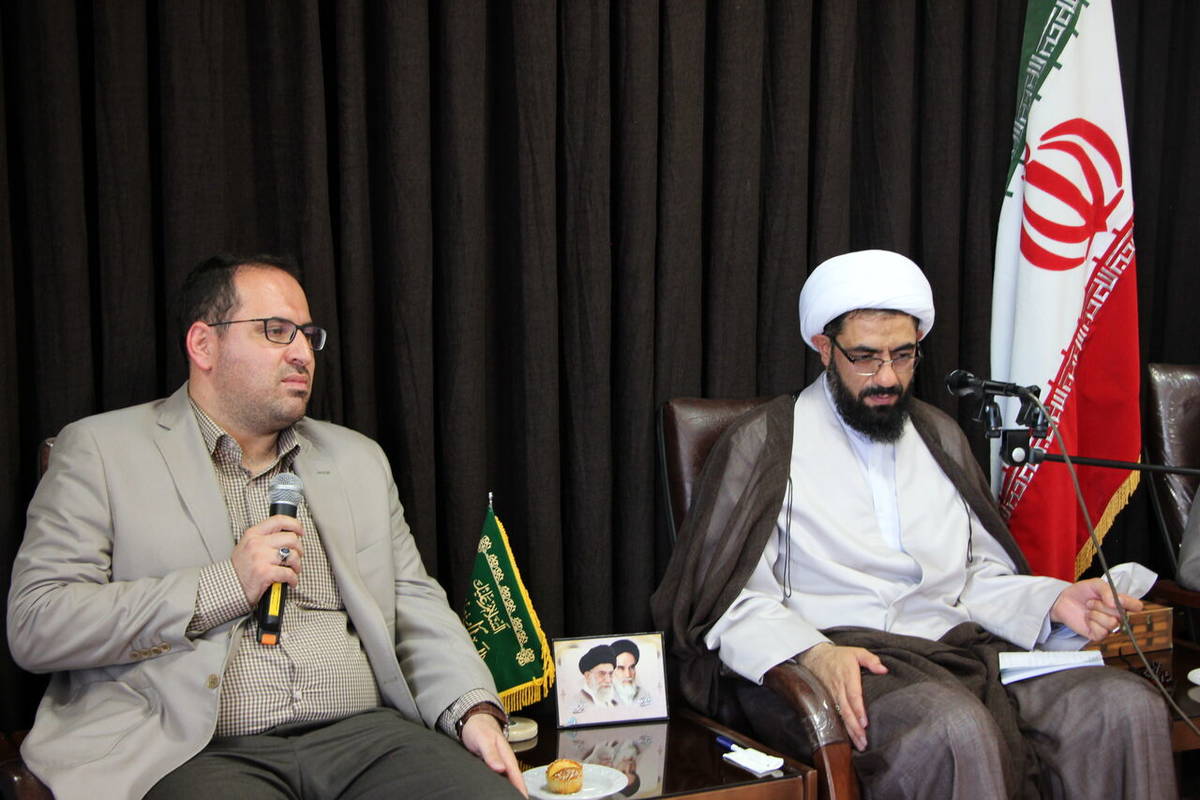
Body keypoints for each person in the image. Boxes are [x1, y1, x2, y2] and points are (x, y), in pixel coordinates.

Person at [651, 250, 1174, 799]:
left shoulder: (940, 437)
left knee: (1122, 705)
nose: (887, 377)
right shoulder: (766, 444)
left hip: (959, 651)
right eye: (865, 357)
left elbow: (973, 578)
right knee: (952, 731)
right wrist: (812, 652)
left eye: (903, 356)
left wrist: (1052, 601)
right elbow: (726, 600)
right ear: (824, 348)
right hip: (843, 659)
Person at [7, 254, 526, 800]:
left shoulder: (357, 459)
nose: (302, 353)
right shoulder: (100, 450)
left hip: (365, 740)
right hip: (189, 750)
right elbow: (38, 623)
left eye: (308, 335)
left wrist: (472, 708)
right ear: (203, 344)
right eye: (276, 331)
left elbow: (415, 605)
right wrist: (225, 586)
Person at [609, 639, 652, 707]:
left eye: (632, 667)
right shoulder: (603, 699)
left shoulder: (645, 695)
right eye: (621, 668)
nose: (628, 675)